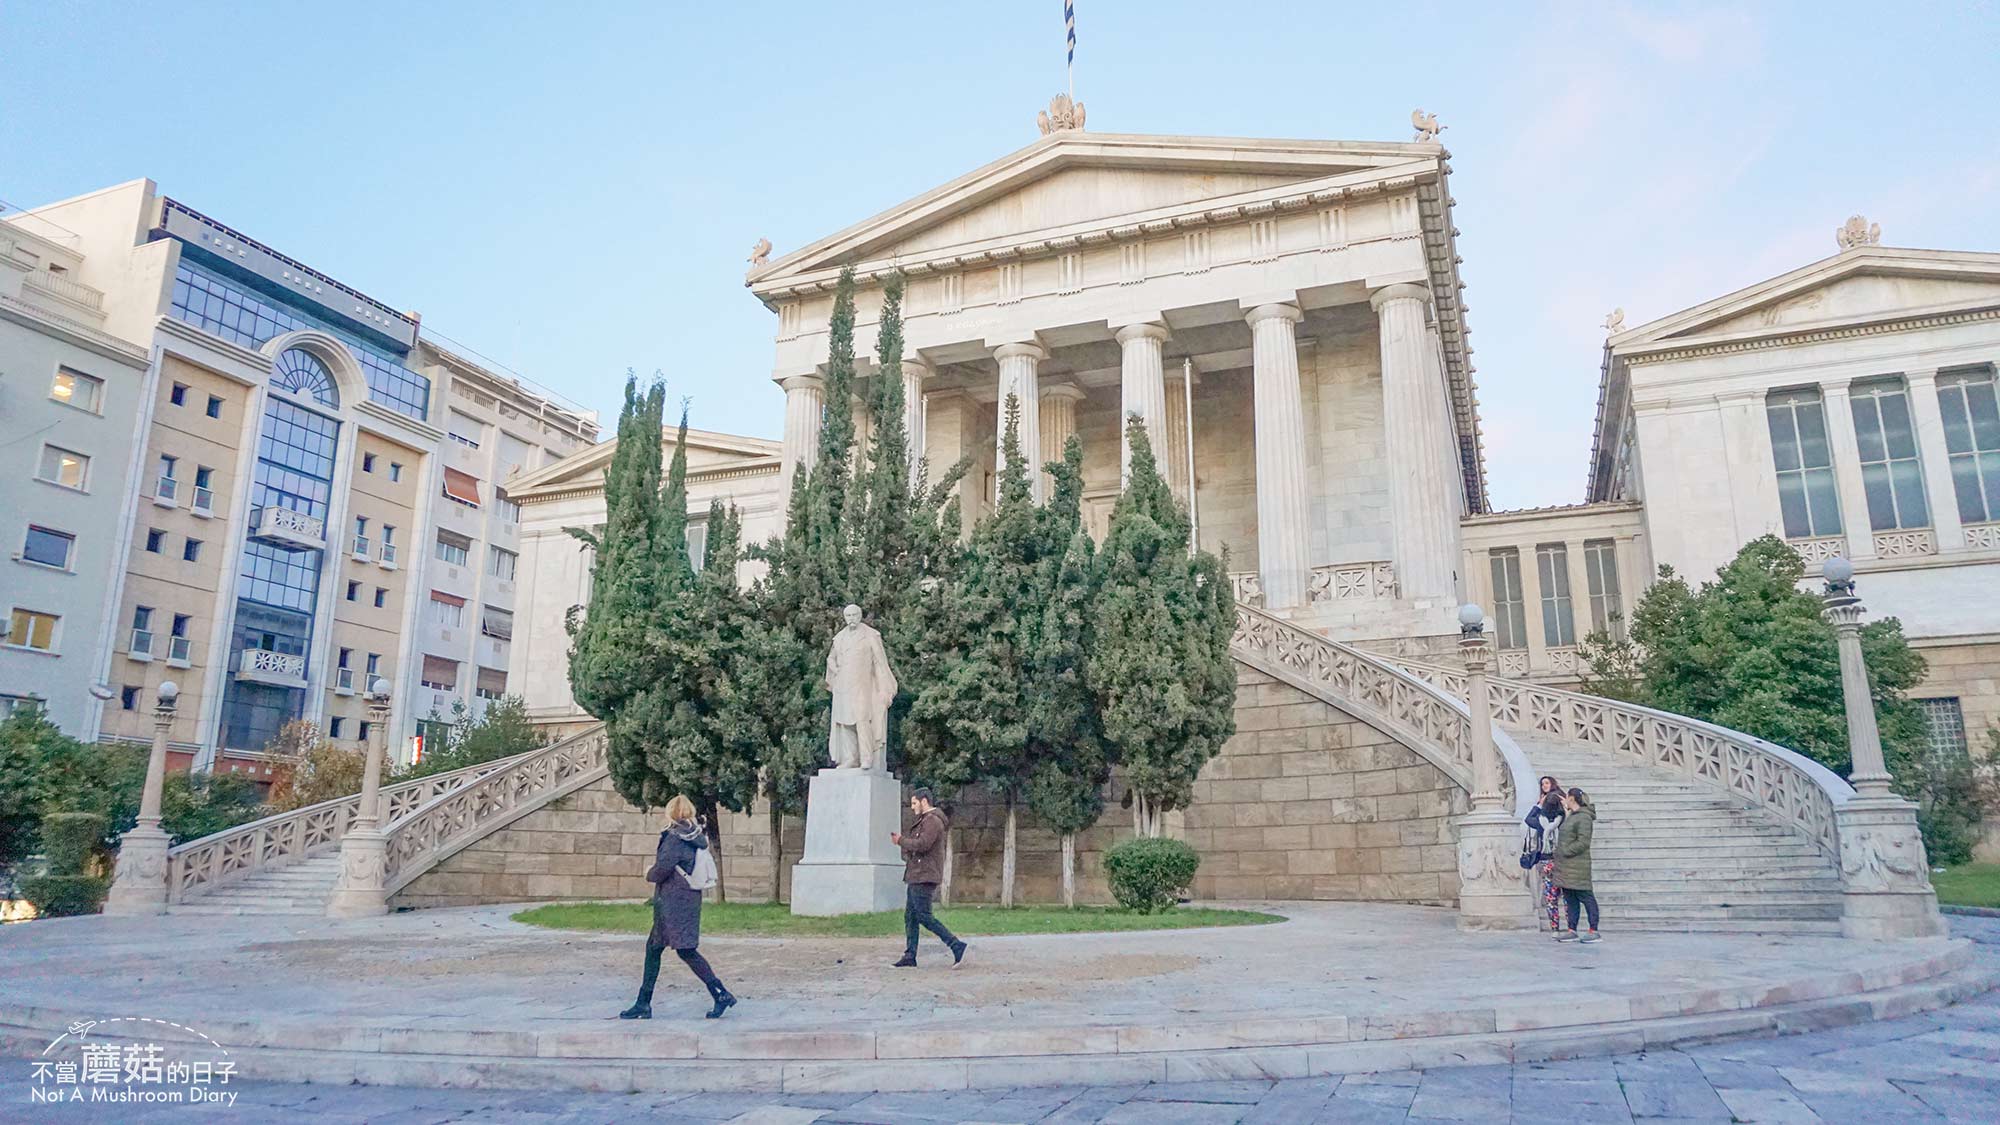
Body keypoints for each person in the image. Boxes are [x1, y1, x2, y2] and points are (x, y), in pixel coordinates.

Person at [620, 795, 737, 1019]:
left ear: (671, 813)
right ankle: (645, 1002)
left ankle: (719, 993)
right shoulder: (695, 836)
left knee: (681, 950)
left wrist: (648, 873)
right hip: (688, 899)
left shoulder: (674, 837)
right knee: (663, 948)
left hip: (672, 902)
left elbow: (663, 868)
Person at [889, 788, 967, 968]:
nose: (912, 807)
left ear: (924, 801)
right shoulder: (926, 820)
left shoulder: (932, 821)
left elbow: (923, 845)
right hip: (917, 875)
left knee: (924, 916)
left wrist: (901, 841)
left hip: (924, 875)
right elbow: (919, 846)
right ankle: (910, 955)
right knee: (911, 916)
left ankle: (956, 945)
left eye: (915, 803)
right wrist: (906, 844)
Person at [1552, 787, 1600, 944]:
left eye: (1567, 797)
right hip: (1566, 866)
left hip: (1578, 865)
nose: (1564, 799)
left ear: (1571, 798)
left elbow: (1583, 842)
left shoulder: (1584, 818)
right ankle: (1572, 929)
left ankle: (1594, 930)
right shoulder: (1572, 816)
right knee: (1570, 897)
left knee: (1586, 896)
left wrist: (1565, 850)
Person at [1523, 776, 1565, 931]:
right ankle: (1567, 928)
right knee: (1559, 897)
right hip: (1556, 860)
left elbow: (1528, 819)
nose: (1544, 786)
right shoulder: (1558, 822)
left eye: (1547, 783)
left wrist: (1538, 806)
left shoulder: (1545, 822)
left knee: (1552, 897)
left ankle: (1559, 928)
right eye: (1542, 784)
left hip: (1553, 861)